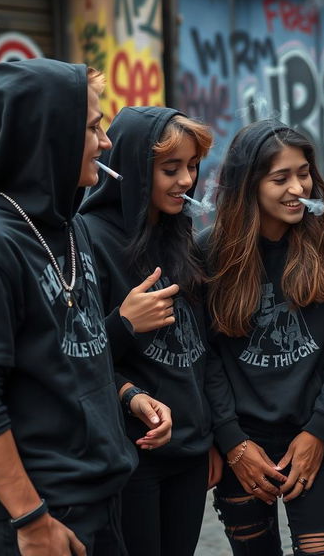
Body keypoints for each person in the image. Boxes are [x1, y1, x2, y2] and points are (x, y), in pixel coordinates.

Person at [0, 59, 168, 556]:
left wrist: (127, 393)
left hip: (96, 496)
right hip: (38, 514)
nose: (106, 142)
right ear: (49, 134)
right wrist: (30, 519)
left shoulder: (67, 226)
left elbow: (70, 352)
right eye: (93, 127)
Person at [198, 120, 324, 555]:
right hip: (242, 444)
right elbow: (205, 355)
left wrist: (320, 431)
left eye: (303, 172)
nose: (297, 187)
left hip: (311, 437)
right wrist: (231, 441)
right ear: (249, 184)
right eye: (280, 177)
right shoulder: (209, 252)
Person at [80, 106, 224, 555]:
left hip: (190, 452)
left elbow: (201, 350)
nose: (186, 180)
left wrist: (209, 437)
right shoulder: (88, 237)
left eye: (192, 166)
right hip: (131, 452)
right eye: (170, 168)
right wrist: (125, 324)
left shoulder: (182, 234)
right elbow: (74, 355)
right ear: (133, 171)